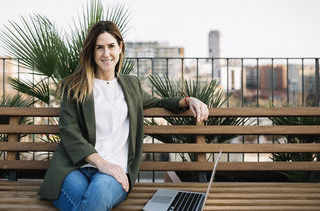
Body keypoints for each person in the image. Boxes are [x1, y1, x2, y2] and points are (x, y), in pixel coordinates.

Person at [38, 21, 209, 210]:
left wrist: (189, 100)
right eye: (99, 48)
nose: (106, 53)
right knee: (91, 203)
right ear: (91, 52)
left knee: (99, 193)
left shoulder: (131, 85)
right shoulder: (74, 87)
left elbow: (159, 102)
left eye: (111, 46)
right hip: (74, 168)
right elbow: (70, 133)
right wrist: (102, 164)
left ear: (120, 47)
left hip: (114, 173)